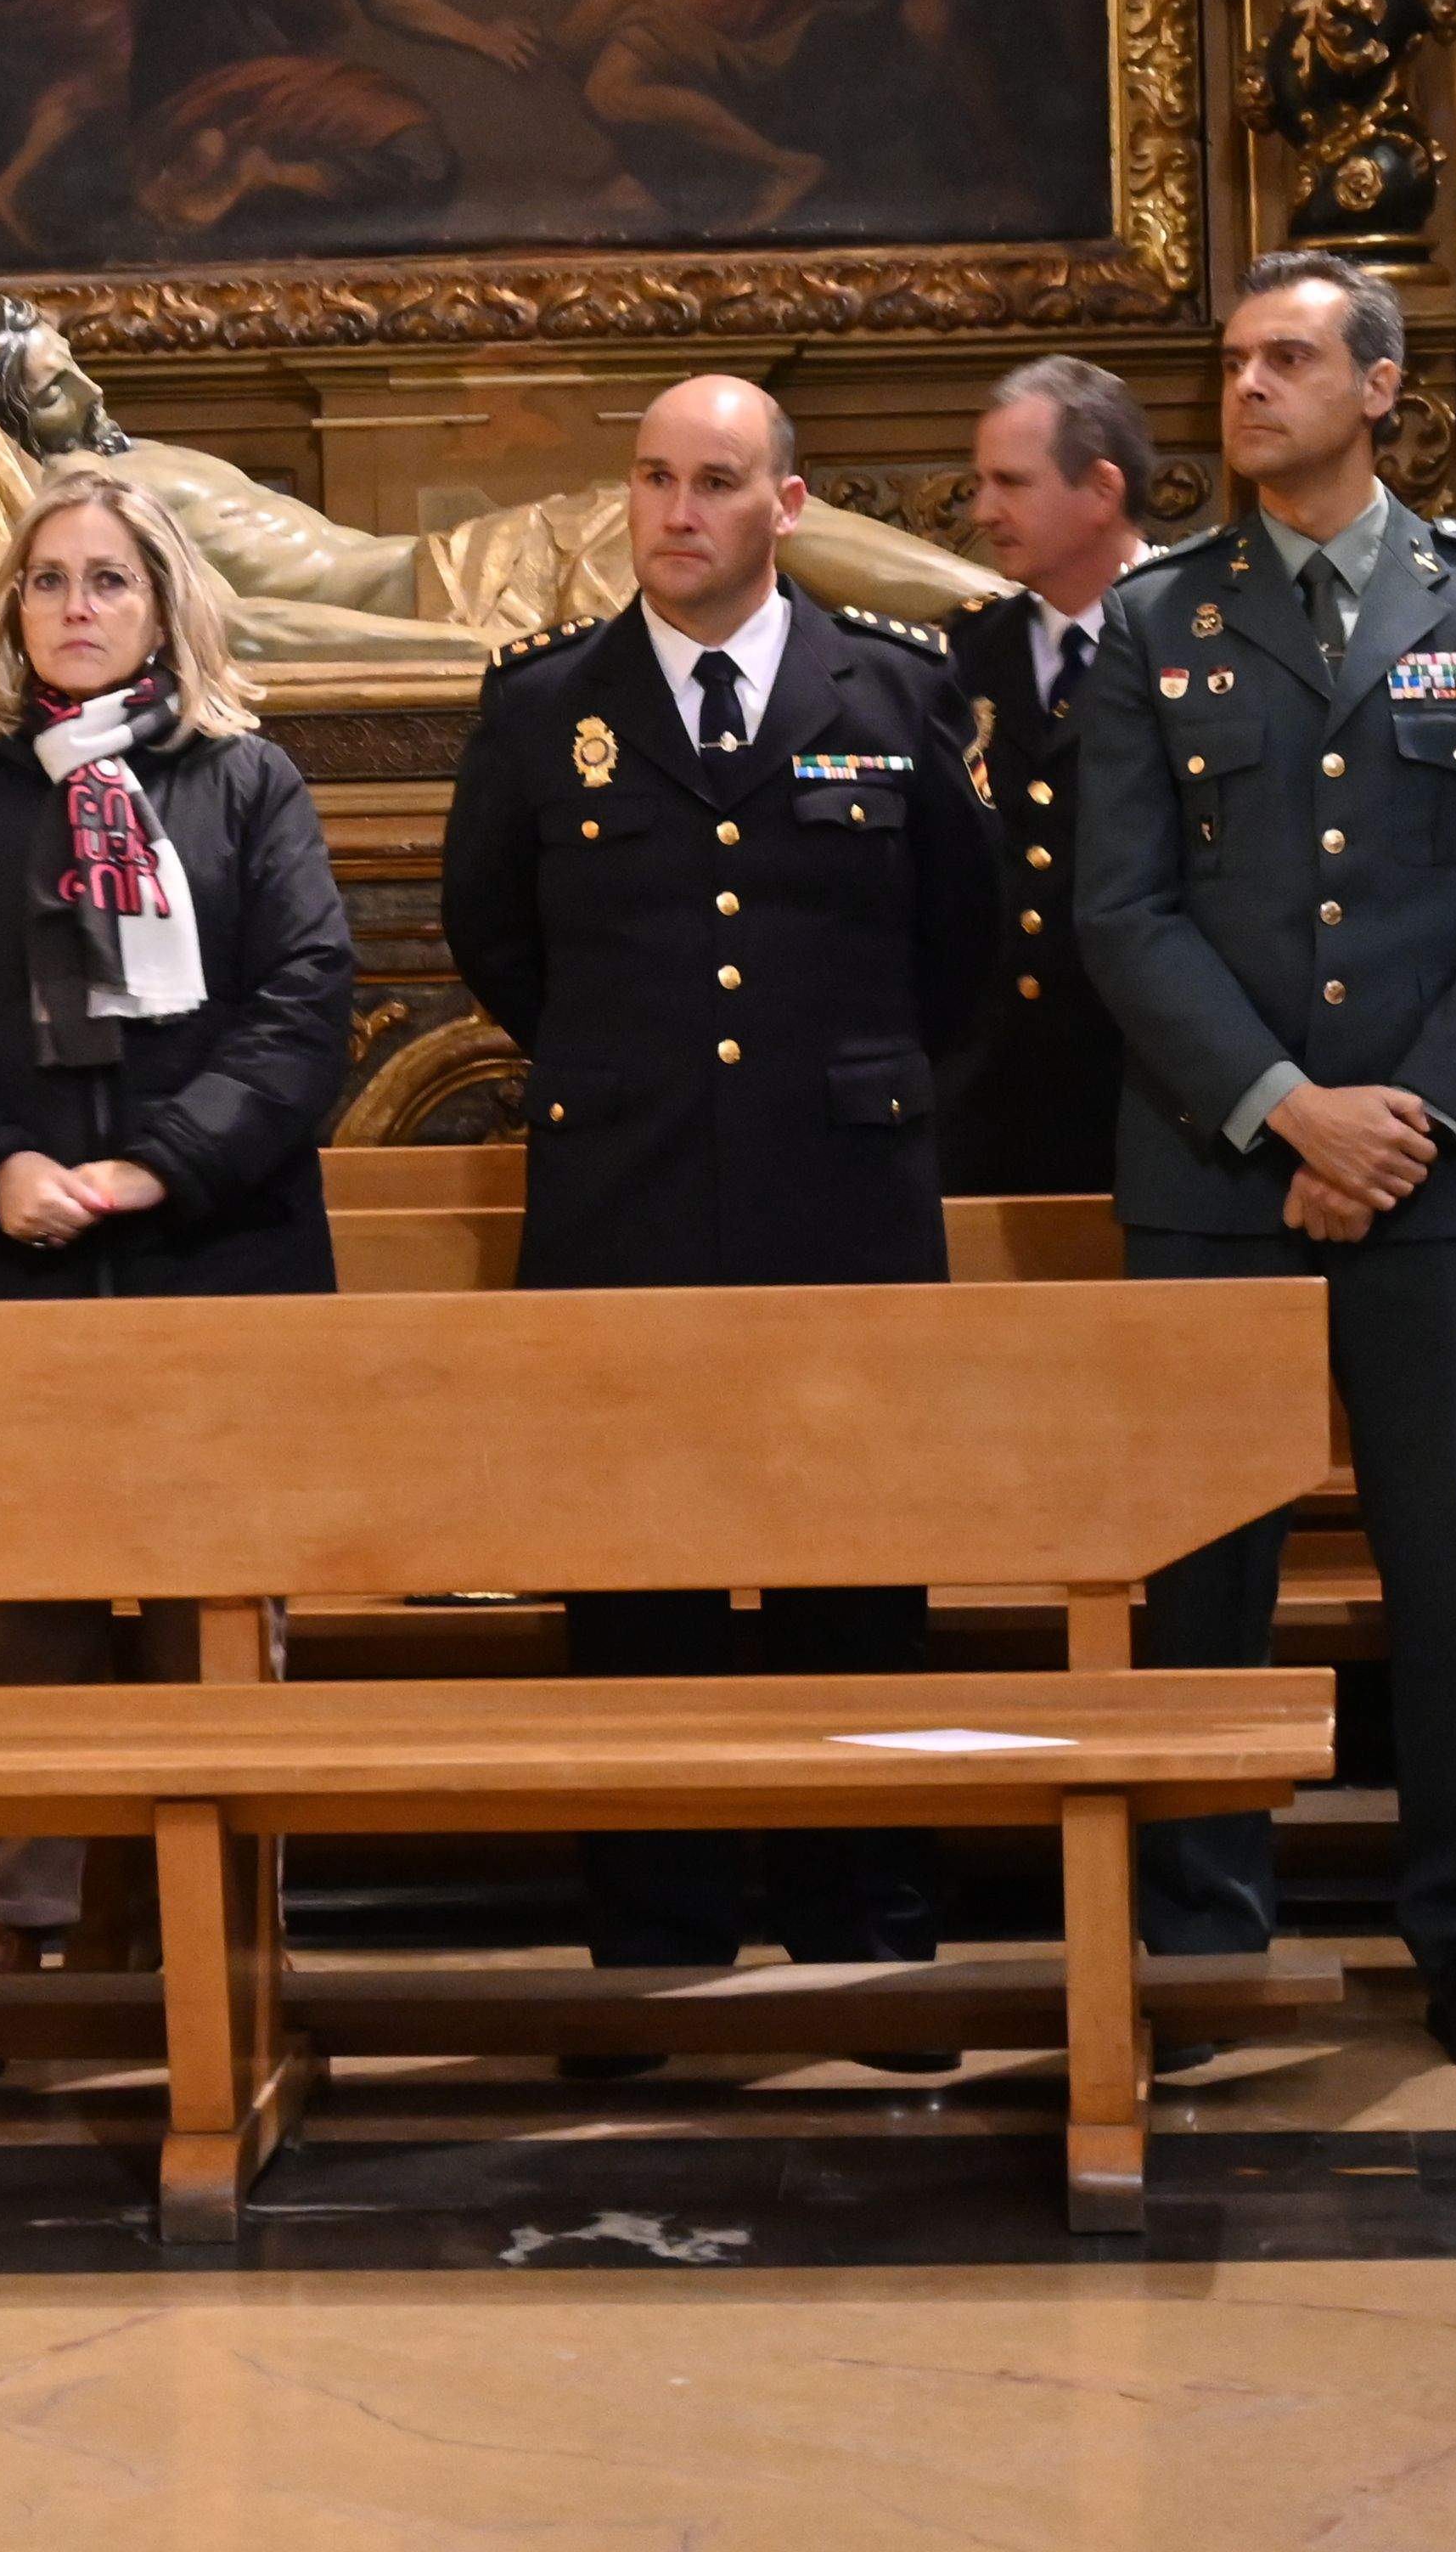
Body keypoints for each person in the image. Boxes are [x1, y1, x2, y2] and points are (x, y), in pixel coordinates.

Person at [1077, 253, 1456, 2076]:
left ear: (1380, 388)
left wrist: (1402, 1121)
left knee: (1451, 1573)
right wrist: (1288, 1107)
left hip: (1436, 1174)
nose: (1247, 387)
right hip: (1217, 1166)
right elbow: (1123, 910)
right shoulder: (1157, 615)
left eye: (1288, 358)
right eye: (1233, 361)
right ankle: (1201, 1935)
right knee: (1199, 1579)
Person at [441, 372, 1000, 2076]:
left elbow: (963, 947)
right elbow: (495, 936)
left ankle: (867, 1944)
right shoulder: (546, 705)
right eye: (652, 478)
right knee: (637, 1589)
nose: (675, 511)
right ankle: (653, 1954)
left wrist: (851, 1082)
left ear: (786, 504)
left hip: (842, 1202)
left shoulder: (891, 688)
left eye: (713, 481)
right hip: (626, 1200)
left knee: (859, 1581)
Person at [0, 460, 356, 2000]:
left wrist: (162, 1168)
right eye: (50, 580)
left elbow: (303, 1006)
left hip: (212, 1253)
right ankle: (21, 1912)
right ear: (12, 610)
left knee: (215, 1607)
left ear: (163, 604)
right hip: (3, 1254)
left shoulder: (246, 783)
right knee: (31, 1608)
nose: (77, 606)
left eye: (108, 579)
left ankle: (220, 1920)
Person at [937, 353, 1149, 1194]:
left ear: (1101, 490)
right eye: (980, 482)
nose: (982, 511)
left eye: (1012, 483)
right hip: (986, 1107)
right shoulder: (960, 653)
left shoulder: (1199, 639)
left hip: (1152, 1096)